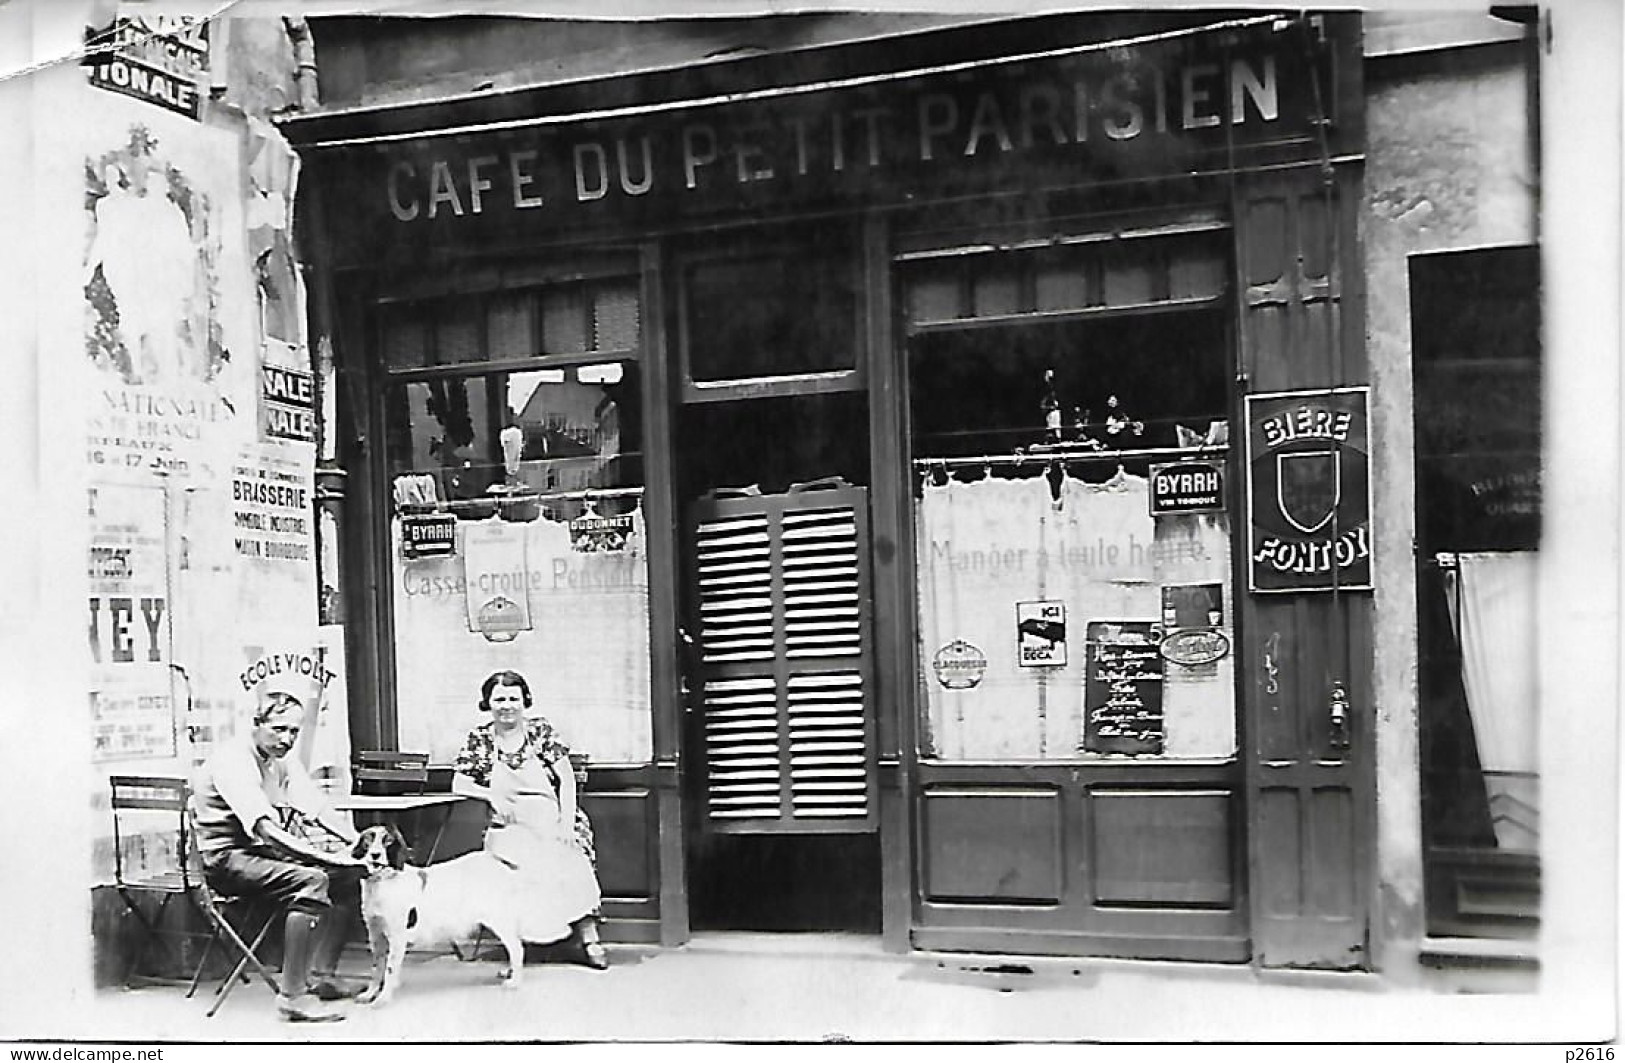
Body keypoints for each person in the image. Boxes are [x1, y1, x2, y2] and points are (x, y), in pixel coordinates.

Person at [193, 683, 369, 1022]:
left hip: (258, 856)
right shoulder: (234, 759)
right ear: (256, 724)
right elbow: (267, 831)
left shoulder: (279, 760)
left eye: (294, 731)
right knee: (313, 880)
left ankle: (322, 976)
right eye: (279, 729)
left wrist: (357, 848)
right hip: (226, 861)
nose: (287, 738)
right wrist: (324, 857)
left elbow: (317, 808)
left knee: (349, 875)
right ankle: (292, 997)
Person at [452, 670, 607, 969]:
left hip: (551, 817)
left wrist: (565, 823)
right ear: (488, 703)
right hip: (508, 824)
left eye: (513, 698)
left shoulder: (540, 732)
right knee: (513, 867)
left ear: (525, 701)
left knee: (569, 860)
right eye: (499, 699)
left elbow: (566, 778)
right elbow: (458, 783)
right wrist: (490, 796)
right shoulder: (481, 739)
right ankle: (520, 947)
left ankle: (590, 940)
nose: (507, 705)